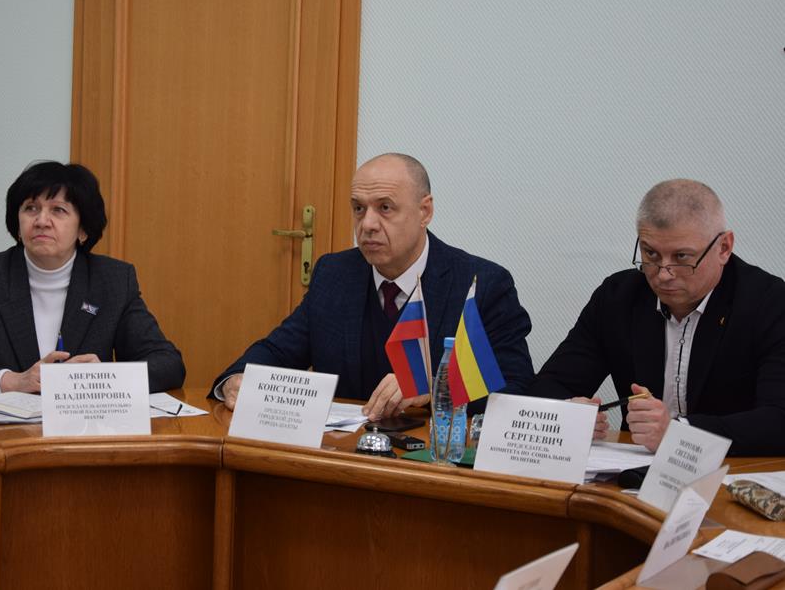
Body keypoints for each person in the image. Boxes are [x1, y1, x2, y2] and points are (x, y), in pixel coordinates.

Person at [210, 153, 534, 419]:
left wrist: (435, 389)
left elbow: (517, 392)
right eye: (358, 208)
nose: (367, 224)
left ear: (425, 211)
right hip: (344, 458)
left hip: (431, 465)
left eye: (385, 208)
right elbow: (279, 351)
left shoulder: (481, 285)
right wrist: (235, 380)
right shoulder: (335, 274)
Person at [529, 179, 785, 456]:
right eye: (650, 253)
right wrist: (566, 414)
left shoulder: (769, 303)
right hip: (633, 473)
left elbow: (778, 420)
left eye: (682, 256)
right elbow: (550, 386)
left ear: (724, 247)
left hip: (736, 470)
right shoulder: (618, 298)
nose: (663, 274)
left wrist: (678, 433)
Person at [0, 161, 185, 396]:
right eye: (31, 208)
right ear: (17, 224)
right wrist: (11, 381)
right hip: (1, 433)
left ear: (83, 229)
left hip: (83, 431)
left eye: (58, 210)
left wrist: (102, 378)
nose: (42, 221)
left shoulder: (112, 280)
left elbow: (168, 364)